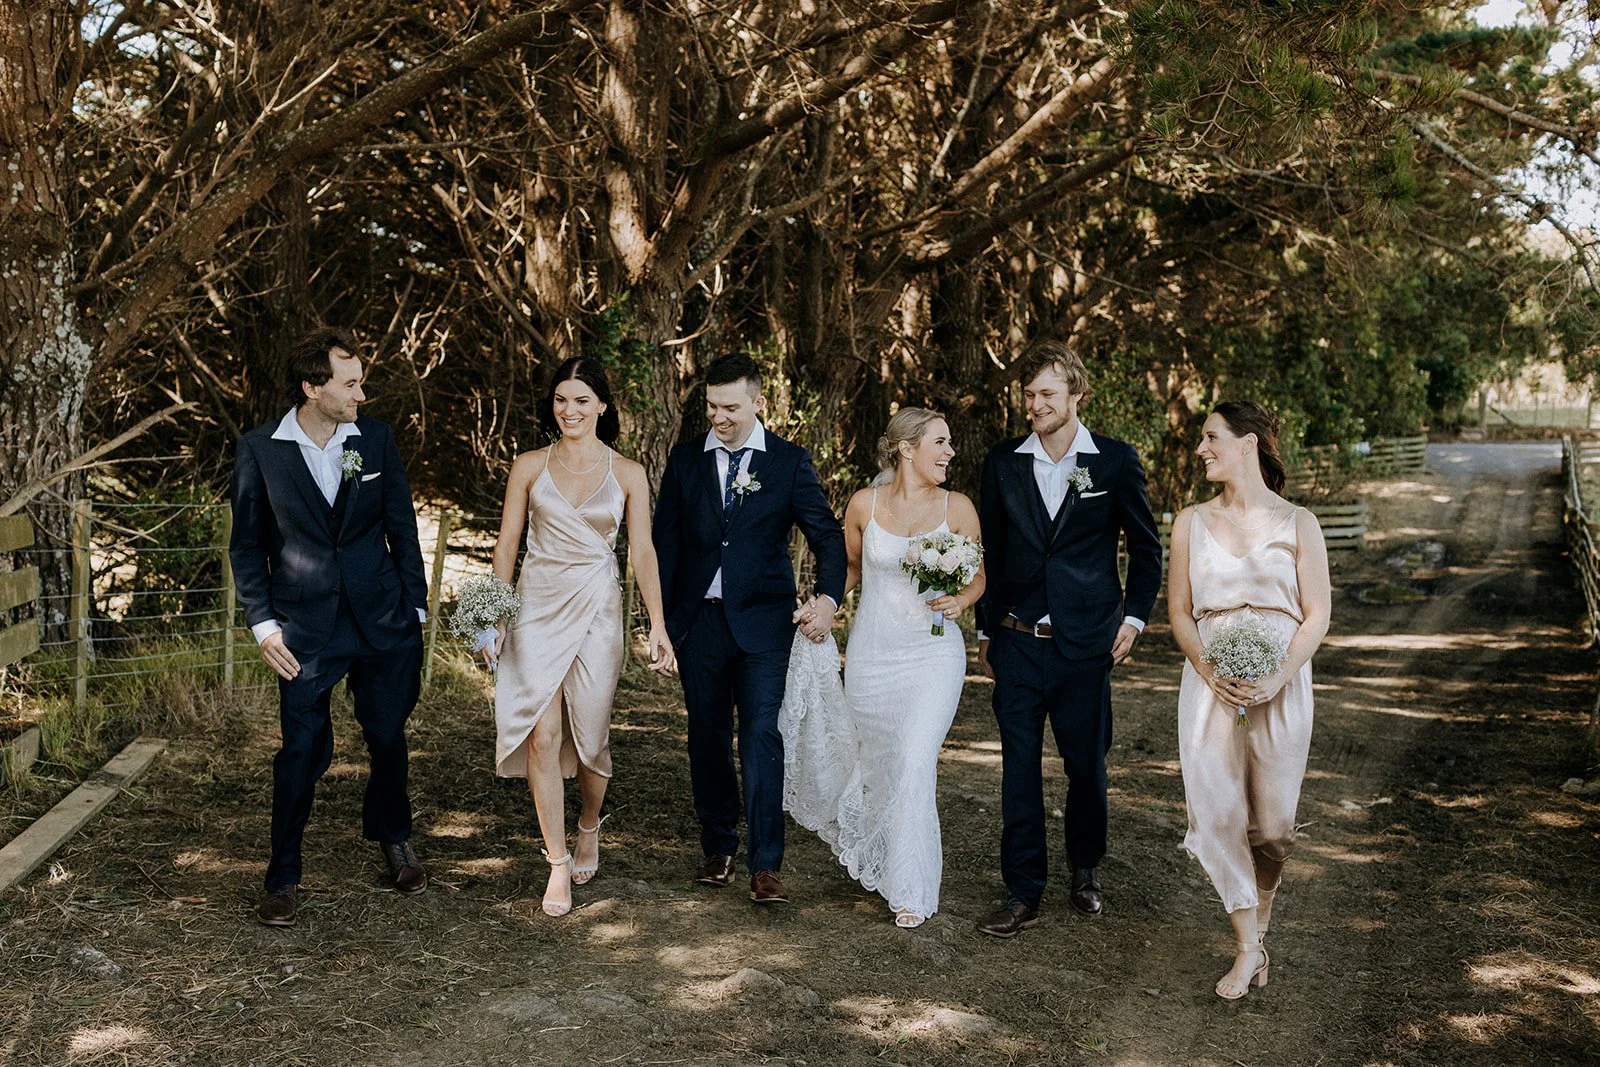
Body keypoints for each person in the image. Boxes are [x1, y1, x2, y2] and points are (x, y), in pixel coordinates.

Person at [231, 327, 431, 928]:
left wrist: (416, 609)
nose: (361, 395)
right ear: (312, 388)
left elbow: (402, 525)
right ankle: (282, 875)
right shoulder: (261, 449)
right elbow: (247, 548)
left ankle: (393, 838)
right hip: (304, 631)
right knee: (301, 751)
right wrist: (264, 628)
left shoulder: (374, 439)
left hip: (383, 622)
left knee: (388, 736)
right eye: (350, 384)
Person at [973, 341, 1164, 937]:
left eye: (1047, 394)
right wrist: (985, 628)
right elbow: (990, 551)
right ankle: (1022, 891)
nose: (1035, 405)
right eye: (1028, 394)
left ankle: (1085, 868)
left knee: (1085, 767)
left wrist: (1134, 620)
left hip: (1086, 645)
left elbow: (1147, 550)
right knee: (1018, 770)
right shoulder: (1002, 462)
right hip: (1016, 641)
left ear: (1077, 394)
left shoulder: (1114, 461)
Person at [483, 357, 675, 918]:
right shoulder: (528, 466)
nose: (569, 410)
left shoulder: (628, 473)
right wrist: (493, 616)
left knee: (591, 738)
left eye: (582, 400)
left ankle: (589, 823)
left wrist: (658, 623)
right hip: (535, 608)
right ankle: (557, 861)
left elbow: (643, 551)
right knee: (542, 736)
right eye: (561, 400)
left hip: (597, 610)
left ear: (602, 406)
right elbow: (507, 544)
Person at [653, 353, 847, 904]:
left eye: (730, 408)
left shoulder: (788, 461)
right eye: (711, 406)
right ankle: (718, 847)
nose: (719, 417)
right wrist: (663, 624)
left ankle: (765, 864)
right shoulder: (685, 460)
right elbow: (664, 545)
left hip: (765, 627)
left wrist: (828, 598)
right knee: (706, 735)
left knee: (762, 734)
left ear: (758, 403)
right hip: (699, 625)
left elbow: (828, 537)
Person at [781, 408, 984, 927]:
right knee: (878, 764)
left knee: (914, 759)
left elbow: (979, 575)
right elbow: (849, 568)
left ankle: (911, 888)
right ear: (906, 449)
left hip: (932, 654)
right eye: (940, 442)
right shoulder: (863, 505)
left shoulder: (958, 506)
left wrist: (961, 600)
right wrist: (827, 605)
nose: (950, 452)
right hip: (872, 655)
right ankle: (884, 859)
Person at [1166, 400, 1330, 999]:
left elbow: (1317, 615)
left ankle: (1262, 911)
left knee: (1275, 826)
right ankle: (1246, 946)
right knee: (1219, 814)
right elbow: (1179, 613)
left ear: (1247, 443)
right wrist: (1208, 669)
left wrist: (1278, 675)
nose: (1201, 449)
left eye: (1211, 437)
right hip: (1210, 686)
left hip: (1280, 686)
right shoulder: (1189, 522)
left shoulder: (1300, 523)